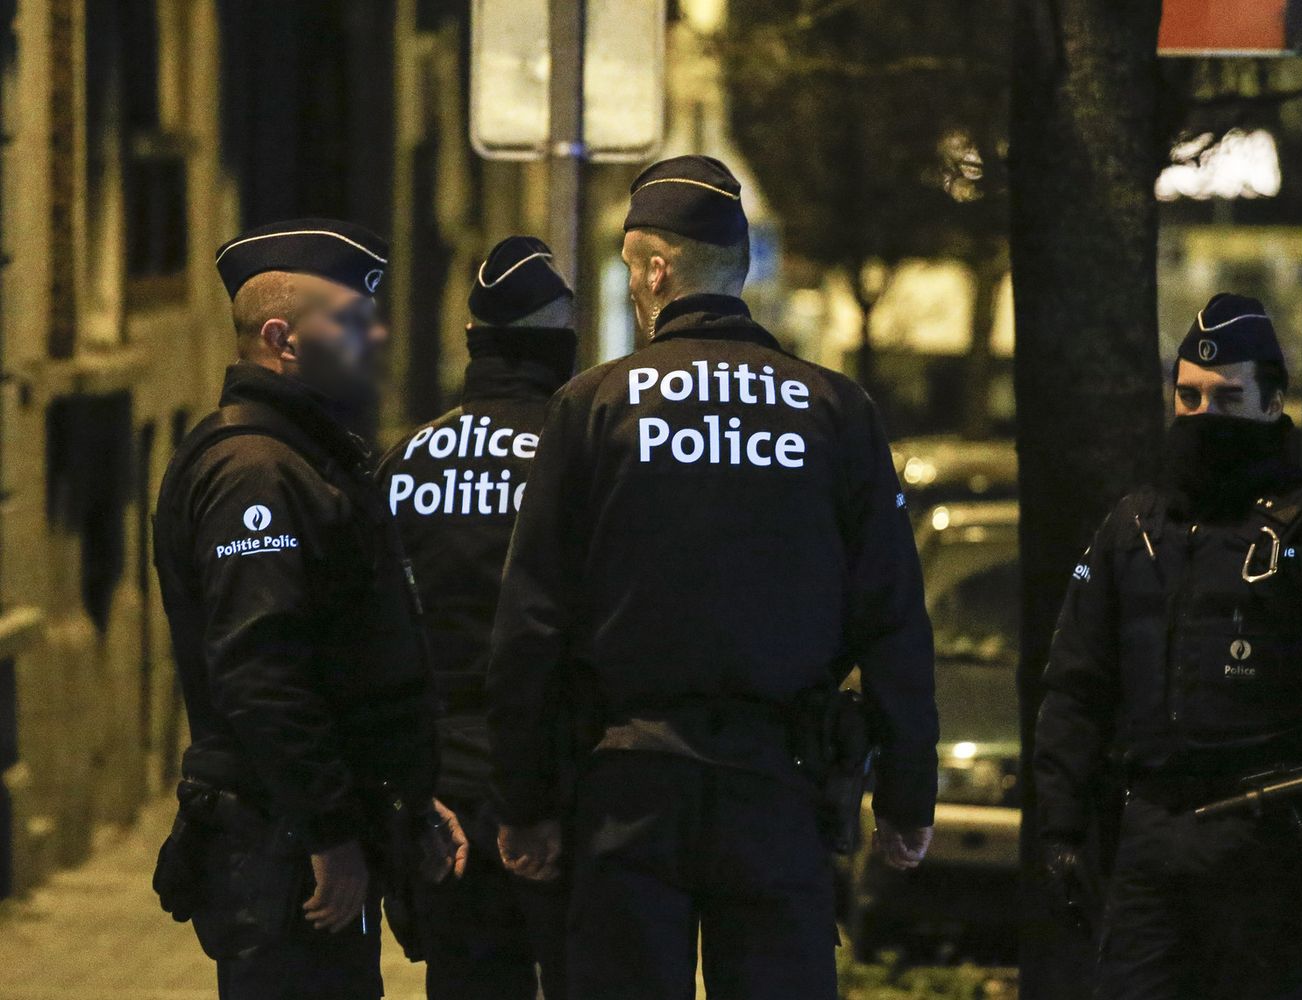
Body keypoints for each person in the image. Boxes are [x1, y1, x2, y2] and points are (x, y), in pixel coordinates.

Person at [485, 155, 940, 1000]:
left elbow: (531, 625)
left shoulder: (593, 407)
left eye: (629, 272)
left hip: (626, 791)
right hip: (780, 787)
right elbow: (893, 618)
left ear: (658, 272)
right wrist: (909, 793)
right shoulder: (834, 410)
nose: (630, 291)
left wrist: (524, 801)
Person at [1034, 293, 1302, 999]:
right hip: (1151, 842)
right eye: (1188, 395)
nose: (1203, 415)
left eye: (1226, 396)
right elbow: (1075, 685)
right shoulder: (1130, 531)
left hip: (1271, 847)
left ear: (1272, 404)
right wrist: (1060, 830)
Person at [153, 219, 447, 1000]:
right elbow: (261, 673)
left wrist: (405, 795)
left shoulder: (303, 456)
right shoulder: (256, 472)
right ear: (282, 338)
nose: (375, 335)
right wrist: (328, 833)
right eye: (351, 320)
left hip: (304, 834)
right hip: (281, 846)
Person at [378, 236, 576, 999]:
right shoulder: (580, 453)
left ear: (472, 343)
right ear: (560, 345)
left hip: (442, 798)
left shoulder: (407, 459)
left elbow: (373, 635)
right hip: (562, 796)